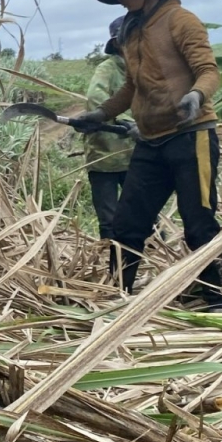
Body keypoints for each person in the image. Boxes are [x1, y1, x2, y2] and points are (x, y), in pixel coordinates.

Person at [73, 0, 222, 311]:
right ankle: (119, 298)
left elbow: (208, 71)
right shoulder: (131, 29)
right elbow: (132, 87)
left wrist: (195, 96)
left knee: (198, 223)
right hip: (150, 141)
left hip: (191, 136)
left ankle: (217, 300)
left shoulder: (181, 21)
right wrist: (102, 113)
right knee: (127, 224)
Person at [81, 17, 136, 284]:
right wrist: (124, 120)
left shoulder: (144, 68)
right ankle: (115, 274)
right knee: (109, 217)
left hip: (135, 154)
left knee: (142, 210)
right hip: (105, 155)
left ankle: (153, 259)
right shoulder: (108, 69)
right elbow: (97, 98)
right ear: (117, 44)